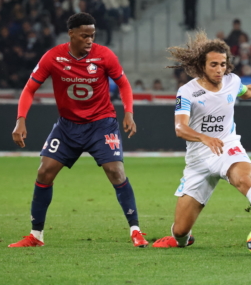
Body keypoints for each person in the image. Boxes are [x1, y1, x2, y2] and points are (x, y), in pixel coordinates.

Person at [152, 31, 251, 248]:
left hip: (227, 146)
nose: (219, 70)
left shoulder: (232, 82)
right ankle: (181, 241)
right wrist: (204, 137)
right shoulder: (187, 92)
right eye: (214, 64)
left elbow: (247, 91)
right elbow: (180, 128)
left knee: (244, 179)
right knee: (180, 230)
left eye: (223, 64)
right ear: (202, 65)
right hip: (199, 158)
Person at [8, 13, 148, 248]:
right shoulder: (53, 57)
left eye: (92, 36)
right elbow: (29, 89)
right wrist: (20, 119)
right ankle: (36, 236)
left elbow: (123, 83)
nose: (90, 40)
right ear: (71, 34)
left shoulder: (104, 55)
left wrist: (129, 113)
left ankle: (136, 231)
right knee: (44, 172)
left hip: (101, 124)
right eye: (84, 35)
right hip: (67, 126)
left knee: (116, 171)